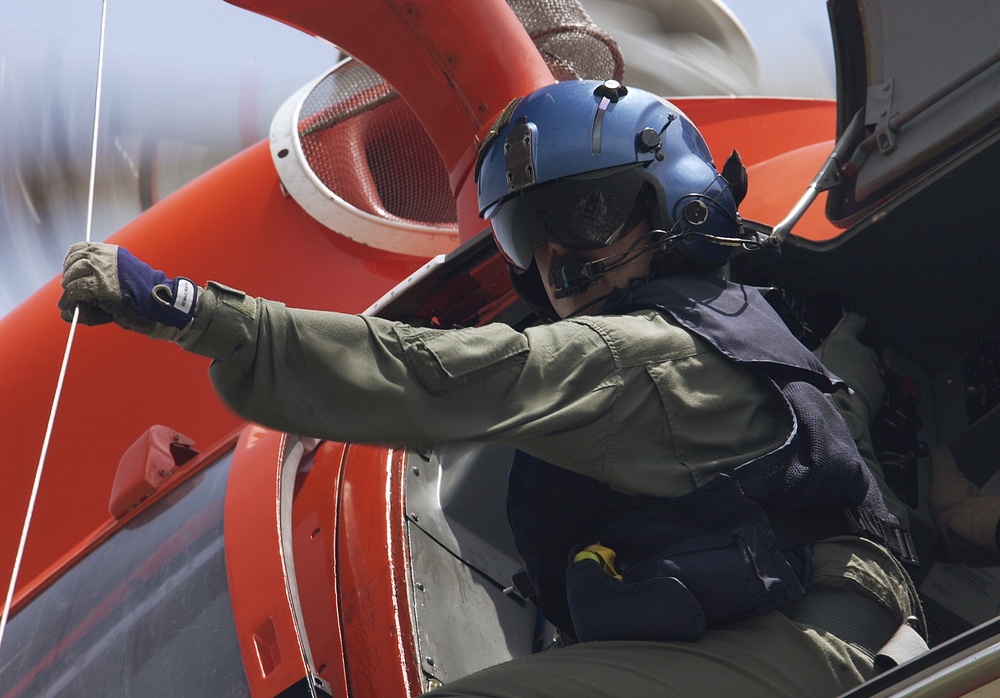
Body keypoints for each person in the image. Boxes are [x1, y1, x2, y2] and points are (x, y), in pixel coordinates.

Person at [61, 79, 927, 697]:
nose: (558, 262)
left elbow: (431, 376)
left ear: (675, 205)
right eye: (530, 237)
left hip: (822, 647)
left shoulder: (646, 356)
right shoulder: (710, 333)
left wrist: (188, 311)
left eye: (582, 218)